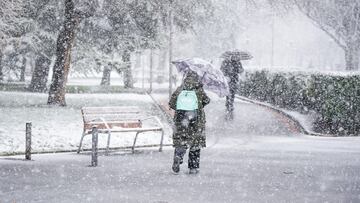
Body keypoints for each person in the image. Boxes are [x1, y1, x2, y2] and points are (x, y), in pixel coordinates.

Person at [169, 71, 210, 174]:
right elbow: (207, 101)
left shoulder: (180, 88)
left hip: (181, 120)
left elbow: (172, 103)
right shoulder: (199, 89)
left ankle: (178, 156)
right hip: (196, 120)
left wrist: (182, 108)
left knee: (181, 140)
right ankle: (193, 167)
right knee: (195, 142)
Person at [220, 54, 244, 120]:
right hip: (227, 80)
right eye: (233, 56)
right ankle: (228, 104)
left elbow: (241, 70)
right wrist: (225, 75)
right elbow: (221, 70)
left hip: (234, 80)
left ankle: (230, 104)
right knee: (228, 93)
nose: (234, 57)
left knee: (232, 93)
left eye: (235, 56)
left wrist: (238, 66)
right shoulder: (225, 62)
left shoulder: (238, 62)